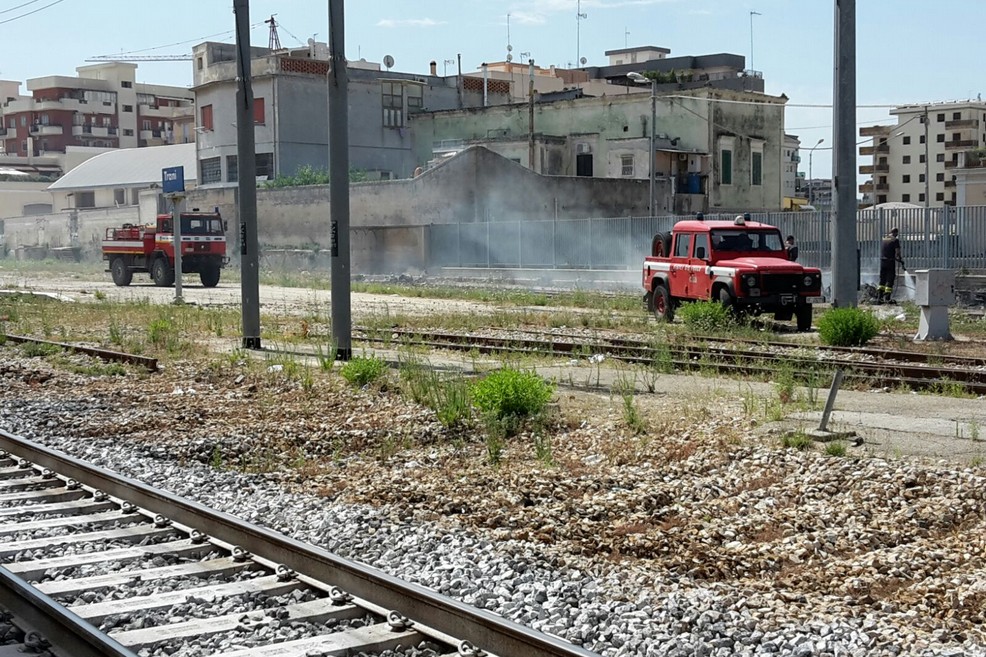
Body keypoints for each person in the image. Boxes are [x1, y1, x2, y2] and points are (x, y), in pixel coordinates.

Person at [878, 227, 904, 304]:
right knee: (890, 279)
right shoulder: (895, 240)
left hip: (882, 262)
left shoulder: (884, 239)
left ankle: (879, 297)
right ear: (896, 233)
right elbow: (897, 252)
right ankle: (887, 298)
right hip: (890, 262)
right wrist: (900, 259)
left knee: (882, 279)